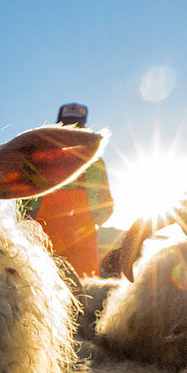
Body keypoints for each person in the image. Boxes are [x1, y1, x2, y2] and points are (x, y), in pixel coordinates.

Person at [22, 103, 114, 277]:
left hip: (41, 257)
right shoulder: (94, 163)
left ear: (57, 127)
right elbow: (104, 211)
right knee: (84, 300)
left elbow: (23, 211)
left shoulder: (38, 159)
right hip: (81, 260)